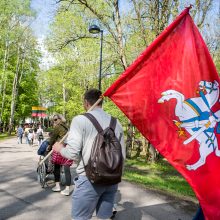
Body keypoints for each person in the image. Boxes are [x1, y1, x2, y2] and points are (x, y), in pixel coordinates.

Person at [53, 88, 126, 220]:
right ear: (101, 102)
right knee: (105, 217)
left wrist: (59, 149)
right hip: (112, 179)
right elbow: (122, 155)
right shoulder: (117, 122)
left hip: (89, 179)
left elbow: (72, 154)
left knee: (80, 217)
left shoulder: (80, 120)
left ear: (86, 102)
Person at [49, 114, 71, 196]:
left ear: (59, 119)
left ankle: (57, 186)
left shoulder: (58, 127)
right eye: (53, 120)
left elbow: (52, 138)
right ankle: (67, 189)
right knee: (67, 168)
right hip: (68, 147)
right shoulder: (66, 127)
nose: (54, 121)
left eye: (55, 119)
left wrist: (49, 146)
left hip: (60, 147)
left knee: (57, 166)